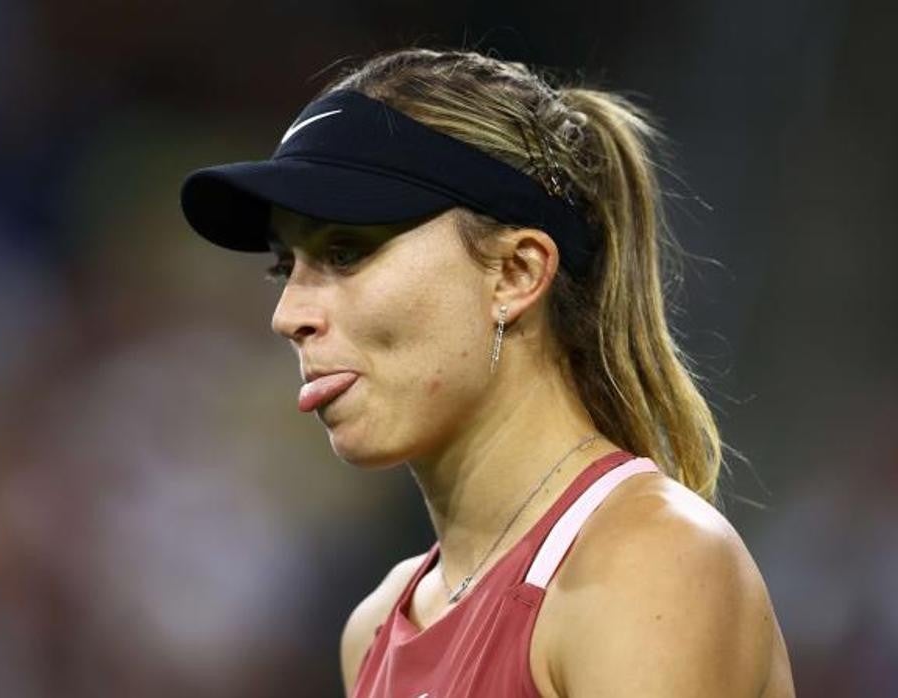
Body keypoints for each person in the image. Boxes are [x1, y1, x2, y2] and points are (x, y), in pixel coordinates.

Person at [179, 48, 794, 697]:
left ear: (516, 273)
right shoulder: (375, 629)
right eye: (286, 267)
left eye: (344, 252)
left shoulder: (651, 565)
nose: (288, 314)